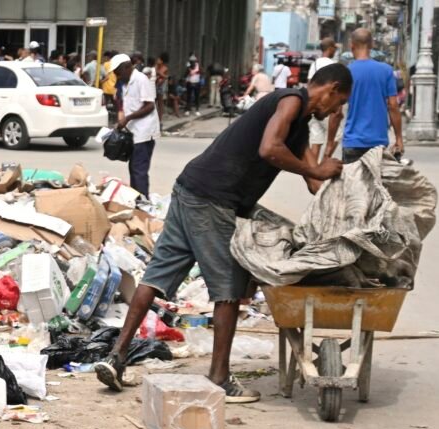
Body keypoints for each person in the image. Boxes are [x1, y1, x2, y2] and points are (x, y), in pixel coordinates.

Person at [93, 64, 352, 403]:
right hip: (213, 198)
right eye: (338, 102)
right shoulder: (289, 100)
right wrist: (316, 168)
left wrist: (346, 202)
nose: (337, 111)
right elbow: (269, 149)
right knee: (228, 288)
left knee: (156, 276)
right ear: (330, 88)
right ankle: (220, 377)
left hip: (191, 188)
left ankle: (117, 356)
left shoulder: (299, 123)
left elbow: (313, 180)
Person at [327, 28, 403, 163]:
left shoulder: (346, 72)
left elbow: (336, 112)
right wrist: (398, 138)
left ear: (352, 46)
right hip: (378, 143)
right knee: (375, 183)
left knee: (352, 183)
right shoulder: (386, 70)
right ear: (372, 45)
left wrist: (329, 143)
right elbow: (393, 106)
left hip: (353, 142)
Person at [110, 53, 159, 198]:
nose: (117, 76)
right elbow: (128, 105)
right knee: (134, 168)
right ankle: (137, 200)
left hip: (144, 132)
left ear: (126, 67)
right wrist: (122, 121)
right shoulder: (126, 82)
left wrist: (128, 118)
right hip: (134, 131)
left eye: (118, 72)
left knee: (139, 170)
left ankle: (143, 203)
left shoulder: (140, 80)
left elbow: (149, 106)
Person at [307, 37, 339, 162]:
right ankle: (325, 161)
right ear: (330, 48)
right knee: (337, 135)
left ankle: (313, 169)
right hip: (328, 107)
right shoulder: (333, 65)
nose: (335, 51)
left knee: (316, 140)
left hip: (315, 107)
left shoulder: (314, 64)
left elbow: (310, 85)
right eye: (334, 49)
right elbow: (336, 89)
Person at [155, 53, 170, 121]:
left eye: (158, 59)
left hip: (160, 87)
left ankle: (159, 119)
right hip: (154, 86)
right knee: (154, 103)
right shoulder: (156, 66)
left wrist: (159, 74)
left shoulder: (165, 68)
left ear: (162, 61)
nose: (157, 60)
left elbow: (166, 77)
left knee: (160, 104)